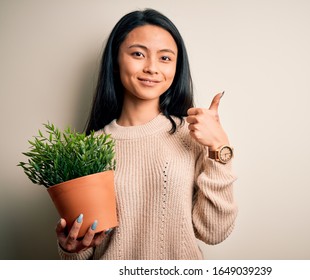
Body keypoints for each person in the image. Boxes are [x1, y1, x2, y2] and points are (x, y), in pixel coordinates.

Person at [55, 8, 237, 260]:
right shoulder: (90, 148)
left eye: (165, 58)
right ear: (116, 60)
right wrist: (70, 248)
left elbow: (213, 232)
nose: (152, 68)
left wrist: (219, 148)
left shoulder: (193, 135)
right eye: (138, 54)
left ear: (176, 67)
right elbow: (82, 253)